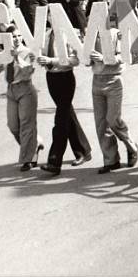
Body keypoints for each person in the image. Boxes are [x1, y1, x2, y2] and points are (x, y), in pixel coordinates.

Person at [0, 24, 44, 171]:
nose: (16, 39)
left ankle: (28, 159)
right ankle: (35, 144)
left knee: (27, 125)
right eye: (13, 36)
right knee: (13, 126)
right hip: (11, 91)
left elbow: (28, 71)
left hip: (25, 88)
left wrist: (16, 57)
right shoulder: (5, 53)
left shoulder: (28, 51)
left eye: (18, 36)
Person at [38, 26, 93, 175]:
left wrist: (52, 60)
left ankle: (55, 161)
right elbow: (41, 53)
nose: (51, 16)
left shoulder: (71, 33)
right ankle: (83, 150)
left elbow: (76, 60)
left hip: (65, 77)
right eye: (49, 13)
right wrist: (41, 60)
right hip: (51, 78)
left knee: (60, 119)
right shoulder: (45, 34)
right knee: (67, 114)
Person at [91, 26, 138, 174]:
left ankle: (132, 147)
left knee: (113, 120)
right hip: (97, 80)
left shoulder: (116, 33)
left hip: (113, 80)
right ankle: (111, 160)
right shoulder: (91, 34)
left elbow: (124, 56)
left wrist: (105, 58)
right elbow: (84, 57)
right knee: (101, 124)